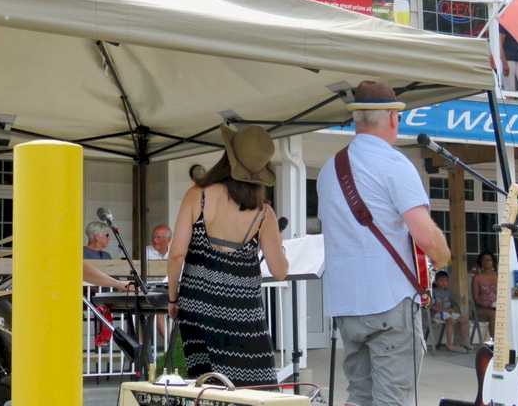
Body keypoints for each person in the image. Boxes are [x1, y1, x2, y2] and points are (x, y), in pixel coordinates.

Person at [317, 80, 450, 406]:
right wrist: (443, 257)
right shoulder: (394, 165)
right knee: (393, 400)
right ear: (392, 117)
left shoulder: (328, 170)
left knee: (360, 395)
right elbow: (424, 235)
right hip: (388, 299)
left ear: (356, 120)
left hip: (346, 302)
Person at [167, 124, 288, 386]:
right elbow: (280, 270)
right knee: (254, 389)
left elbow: (177, 254)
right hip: (243, 314)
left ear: (227, 158)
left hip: (197, 305)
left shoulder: (197, 196)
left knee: (204, 387)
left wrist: (173, 298)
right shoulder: (263, 213)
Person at [432, 271, 470, 352]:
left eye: (446, 281)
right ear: (436, 281)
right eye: (441, 280)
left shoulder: (448, 292)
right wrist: (444, 310)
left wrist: (452, 309)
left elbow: (453, 305)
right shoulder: (433, 292)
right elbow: (432, 306)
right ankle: (450, 344)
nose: (444, 283)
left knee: (464, 319)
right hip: (437, 314)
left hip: (448, 313)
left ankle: (464, 341)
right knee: (450, 319)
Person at [472, 251, 497, 337]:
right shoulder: (477, 278)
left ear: (493, 262)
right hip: (482, 309)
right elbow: (476, 298)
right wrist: (489, 305)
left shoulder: (498, 276)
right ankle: (495, 342)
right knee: (494, 315)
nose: (486, 262)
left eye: (489, 260)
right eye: (484, 260)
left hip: (499, 306)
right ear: (480, 262)